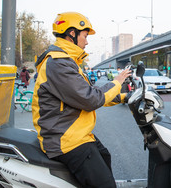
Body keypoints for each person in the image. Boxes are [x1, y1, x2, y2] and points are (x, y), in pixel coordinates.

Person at [32, 12, 132, 188]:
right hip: (64, 139)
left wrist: (125, 97)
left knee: (105, 156)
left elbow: (88, 93)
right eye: (85, 36)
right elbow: (90, 99)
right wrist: (117, 82)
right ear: (72, 33)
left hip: (76, 134)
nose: (86, 41)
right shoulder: (58, 64)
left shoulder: (67, 62)